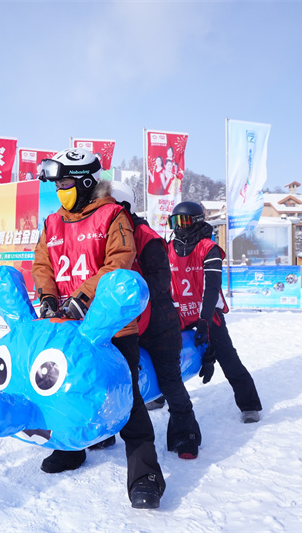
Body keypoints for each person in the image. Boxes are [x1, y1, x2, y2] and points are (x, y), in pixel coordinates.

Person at [32, 148, 165, 509]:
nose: (60, 190)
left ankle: (145, 474)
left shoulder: (112, 216)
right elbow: (42, 264)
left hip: (112, 327)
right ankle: (70, 448)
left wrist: (84, 296)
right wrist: (47, 297)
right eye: (57, 184)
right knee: (65, 388)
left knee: (127, 398)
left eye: (65, 182)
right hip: (67, 326)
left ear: (87, 182)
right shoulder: (51, 222)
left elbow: (119, 262)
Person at [110, 181, 202, 459]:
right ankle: (105, 431)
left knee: (169, 379)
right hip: (122, 320)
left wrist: (129, 294)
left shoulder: (145, 236)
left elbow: (160, 282)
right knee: (111, 377)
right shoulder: (106, 233)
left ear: (122, 207)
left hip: (158, 322)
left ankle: (186, 433)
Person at [166, 202, 262, 423]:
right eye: (174, 222)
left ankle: (249, 405)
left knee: (228, 358)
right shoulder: (168, 247)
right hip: (180, 313)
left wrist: (204, 320)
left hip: (207, 312)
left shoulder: (209, 248)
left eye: (183, 221)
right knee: (165, 355)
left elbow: (211, 287)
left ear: (197, 222)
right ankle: (161, 396)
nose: (178, 227)